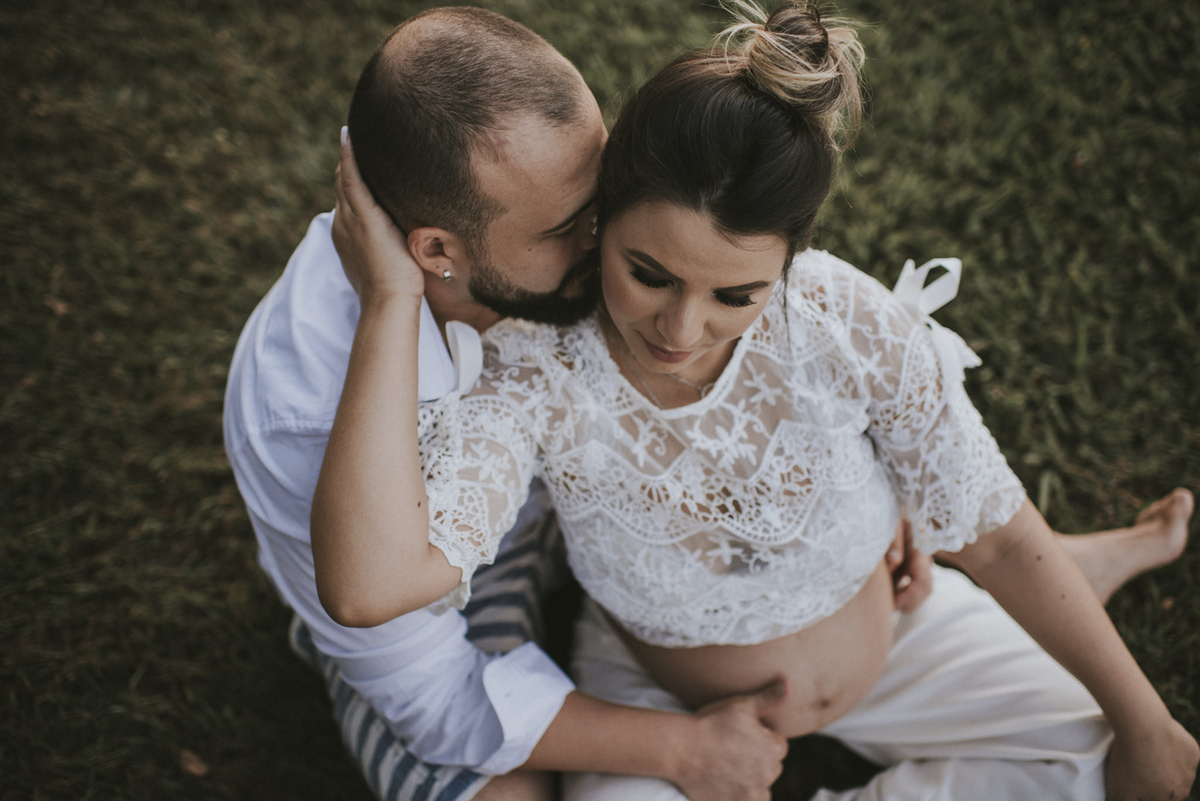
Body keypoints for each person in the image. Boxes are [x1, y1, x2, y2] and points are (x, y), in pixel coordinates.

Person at [311, 2, 1199, 799]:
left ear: (790, 262)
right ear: (602, 219)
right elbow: (367, 587)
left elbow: (998, 533)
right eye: (648, 273)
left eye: (736, 294)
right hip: (655, 689)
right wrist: (391, 296)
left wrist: (1149, 721)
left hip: (896, 629)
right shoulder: (532, 367)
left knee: (1099, 750)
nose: (682, 328)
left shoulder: (842, 318)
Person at [225, 7, 826, 801]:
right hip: (437, 597)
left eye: (603, 192)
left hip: (576, 511)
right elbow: (429, 690)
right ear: (436, 251)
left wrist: (862, 497)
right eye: (569, 227)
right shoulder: (302, 412)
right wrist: (684, 749)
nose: (608, 238)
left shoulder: (559, 244)